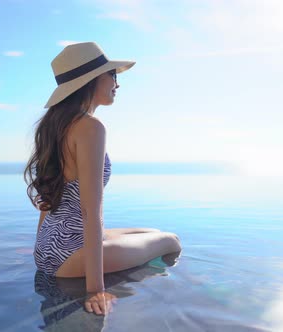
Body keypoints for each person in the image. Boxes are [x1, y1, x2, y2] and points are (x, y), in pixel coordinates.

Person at [23, 42, 182, 316]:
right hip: (71, 256)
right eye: (113, 76)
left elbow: (48, 199)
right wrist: (95, 289)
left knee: (152, 233)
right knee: (172, 241)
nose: (117, 84)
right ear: (92, 80)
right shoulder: (90, 127)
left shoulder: (54, 126)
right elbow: (90, 209)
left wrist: (40, 249)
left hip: (47, 248)